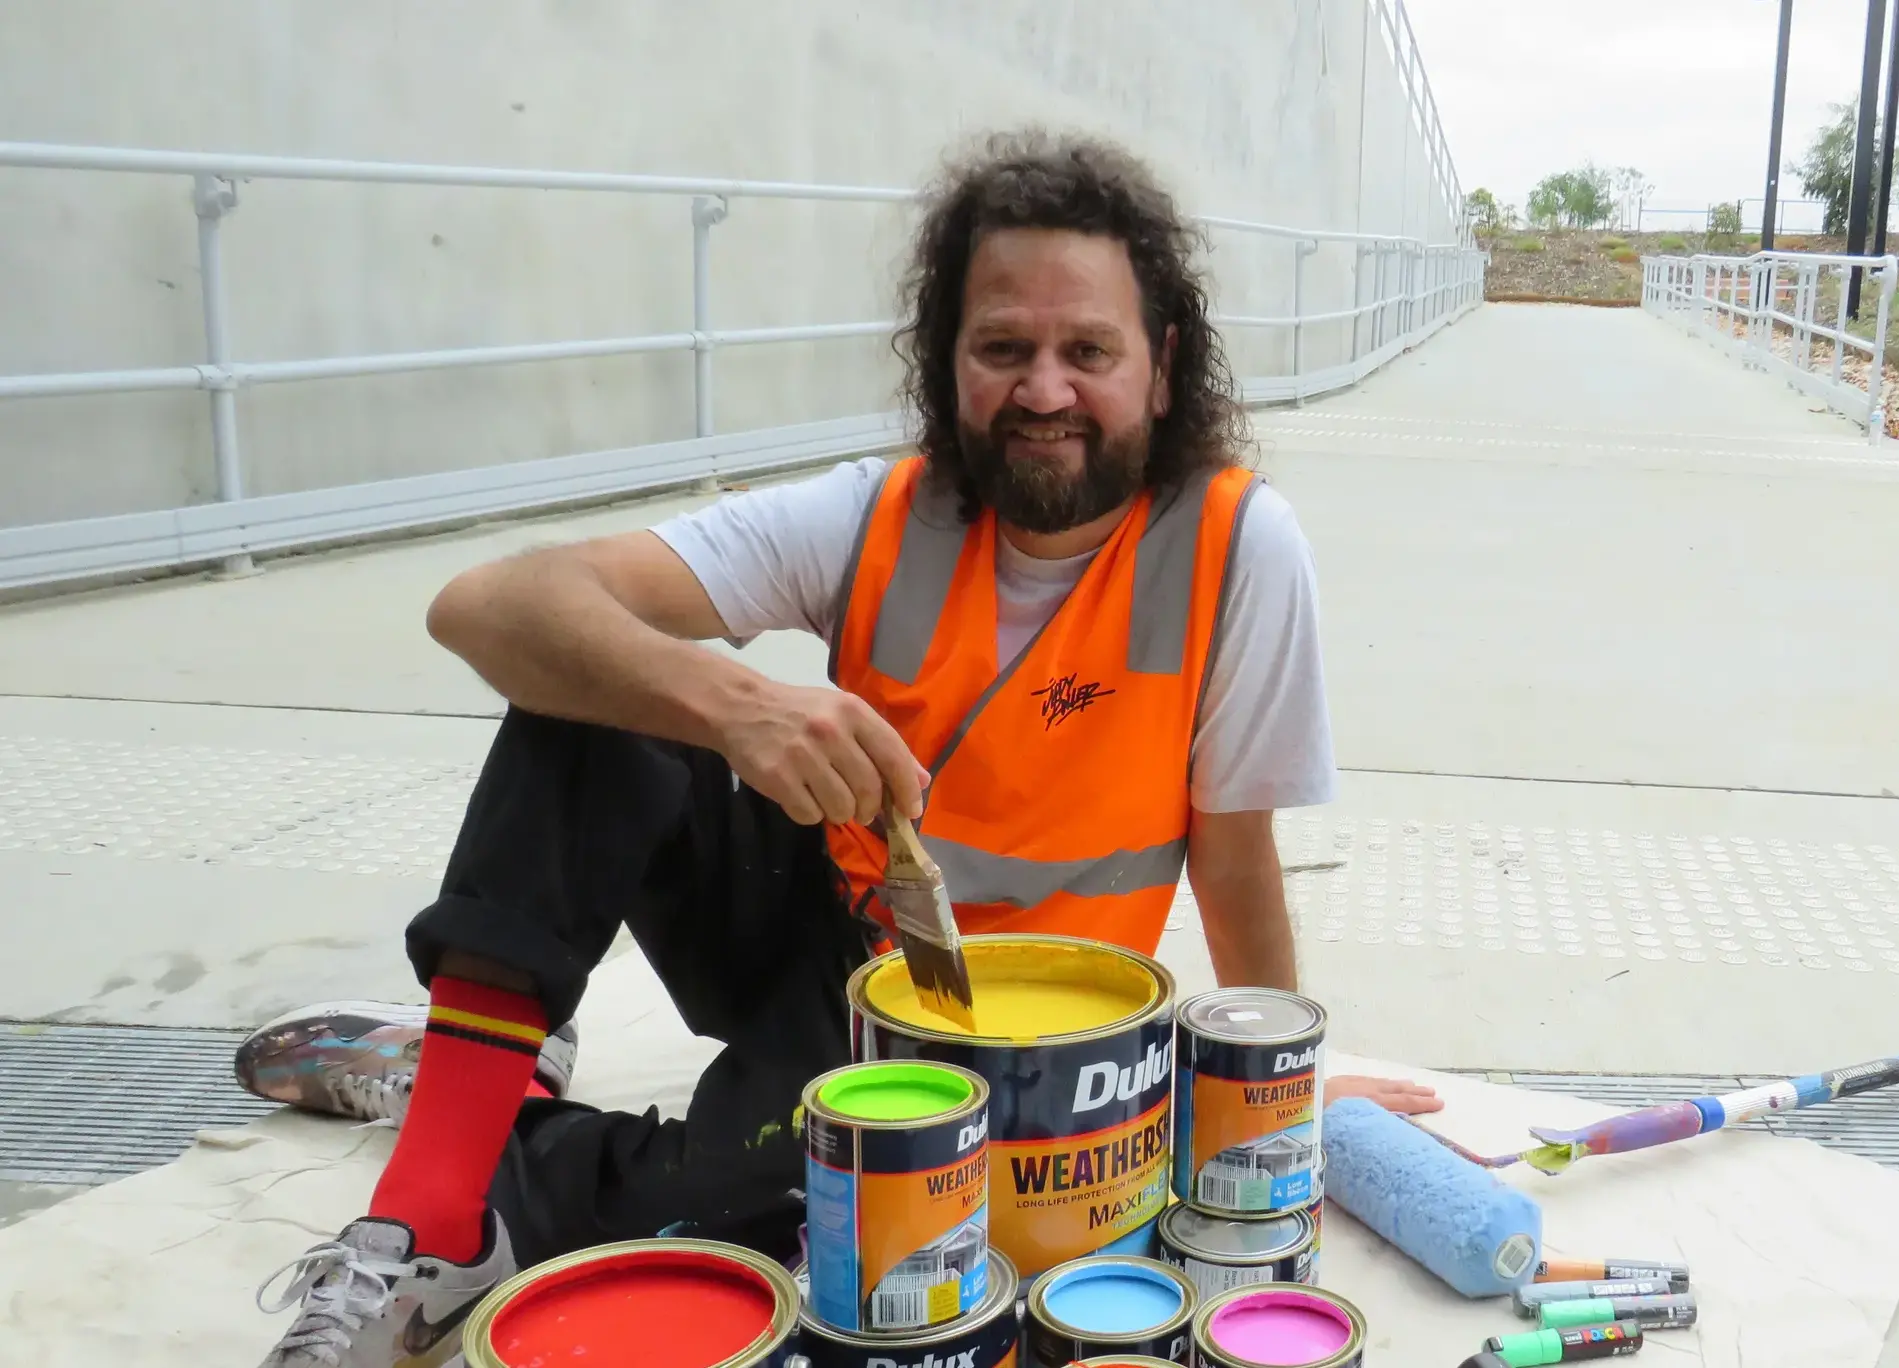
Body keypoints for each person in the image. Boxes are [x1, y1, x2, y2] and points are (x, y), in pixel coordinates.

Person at [239, 131, 1440, 1368]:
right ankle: (432, 1212)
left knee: (806, 1232)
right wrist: (729, 704)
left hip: (1014, 1036)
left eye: (1088, 351)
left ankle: (484, 1087)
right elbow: (487, 605)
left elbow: (1235, 860)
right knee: (589, 691)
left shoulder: (1238, 547)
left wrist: (1274, 1102)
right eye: (1002, 349)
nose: (1043, 391)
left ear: (1162, 364)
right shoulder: (872, 512)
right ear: (947, 358)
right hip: (823, 948)